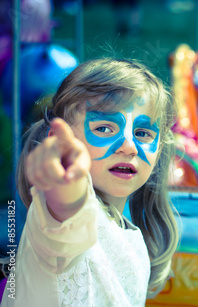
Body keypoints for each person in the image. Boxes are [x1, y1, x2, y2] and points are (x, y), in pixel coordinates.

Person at [1, 58, 179, 306]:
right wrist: (64, 185)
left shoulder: (128, 232)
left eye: (142, 133)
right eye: (104, 128)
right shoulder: (58, 219)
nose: (129, 147)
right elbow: (68, 214)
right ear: (61, 141)